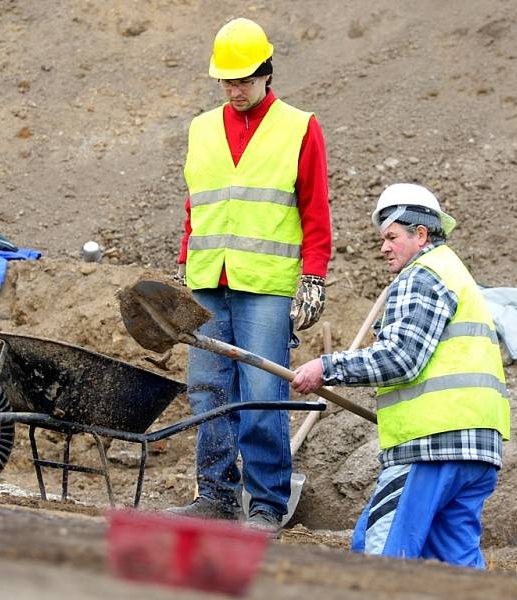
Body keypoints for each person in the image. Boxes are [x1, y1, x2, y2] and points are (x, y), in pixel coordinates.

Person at [168, 17, 332, 535]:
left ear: (267, 72)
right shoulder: (200, 128)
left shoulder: (299, 126)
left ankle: (265, 503)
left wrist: (314, 276)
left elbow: (315, 209)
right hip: (207, 280)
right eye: (226, 81)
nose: (234, 90)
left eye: (243, 80)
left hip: (266, 284)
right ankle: (215, 494)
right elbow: (198, 204)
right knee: (207, 390)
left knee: (262, 390)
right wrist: (184, 260)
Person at [291, 183, 509, 567]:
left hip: (431, 446)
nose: (384, 247)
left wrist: (328, 367)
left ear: (420, 234)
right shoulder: (456, 272)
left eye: (392, 237)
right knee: (455, 566)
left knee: (381, 555)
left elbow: (401, 359)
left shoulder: (422, 275)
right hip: (476, 447)